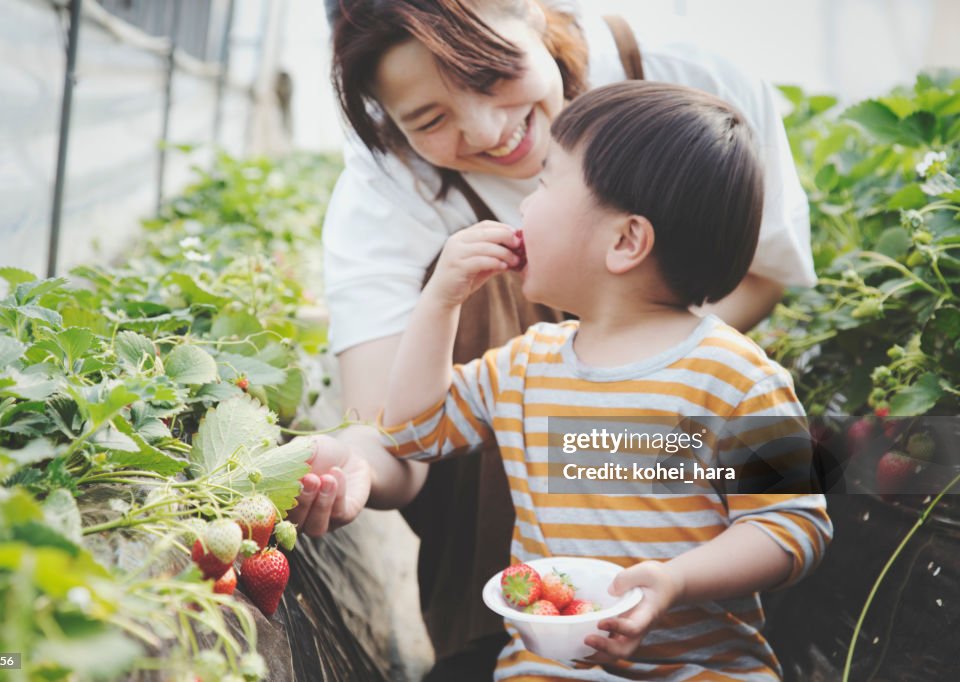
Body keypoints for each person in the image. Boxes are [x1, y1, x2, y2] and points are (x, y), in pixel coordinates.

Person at [290, 1, 817, 677]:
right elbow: (408, 430)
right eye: (429, 119)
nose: (488, 132)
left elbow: (795, 520)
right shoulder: (526, 368)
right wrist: (440, 302)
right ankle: (479, 637)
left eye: (487, 77)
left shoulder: (740, 380)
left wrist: (646, 391)